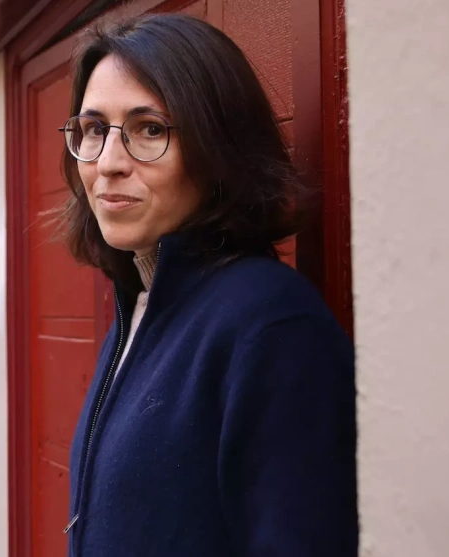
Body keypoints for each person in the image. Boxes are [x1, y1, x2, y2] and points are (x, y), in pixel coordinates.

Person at [56, 13, 357, 557]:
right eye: (95, 129)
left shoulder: (270, 324)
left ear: (217, 146)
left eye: (150, 129)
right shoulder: (139, 305)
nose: (109, 163)